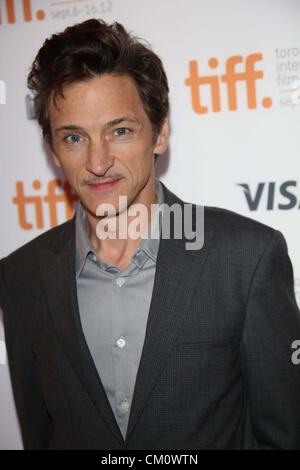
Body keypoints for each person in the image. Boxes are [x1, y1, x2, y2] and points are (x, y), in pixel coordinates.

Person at [0, 18, 300, 451]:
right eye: (73, 137)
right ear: (53, 151)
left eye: (120, 131)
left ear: (159, 134)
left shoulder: (246, 258)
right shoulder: (20, 276)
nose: (97, 162)